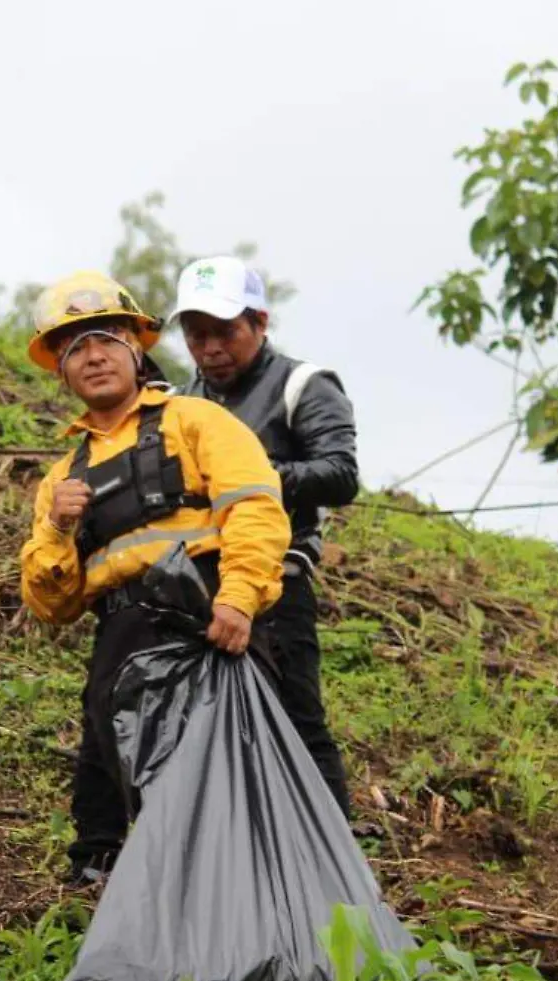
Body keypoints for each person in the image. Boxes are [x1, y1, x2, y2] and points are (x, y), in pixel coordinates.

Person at [18, 270, 290, 888]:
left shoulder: (194, 421)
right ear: (60, 371)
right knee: (105, 782)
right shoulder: (63, 476)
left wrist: (240, 599)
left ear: (136, 348)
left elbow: (253, 506)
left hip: (208, 620)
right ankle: (109, 900)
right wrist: (60, 529)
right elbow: (50, 603)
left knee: (231, 781)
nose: (93, 357)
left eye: (106, 340)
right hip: (122, 635)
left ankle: (250, 911)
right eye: (74, 348)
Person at [174, 256, 356, 819]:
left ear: (260, 322)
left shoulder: (304, 385)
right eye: (196, 334)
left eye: (226, 331)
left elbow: (341, 474)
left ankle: (338, 862)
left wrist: (253, 478)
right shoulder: (183, 402)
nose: (211, 348)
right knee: (209, 721)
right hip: (200, 582)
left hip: (279, 577)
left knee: (297, 715)